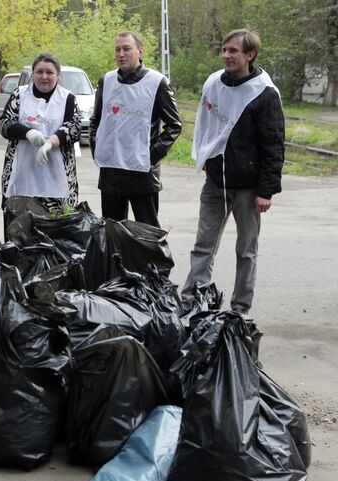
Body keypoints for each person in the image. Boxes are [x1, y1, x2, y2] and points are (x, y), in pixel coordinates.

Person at [181, 29, 284, 315]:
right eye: (224, 50)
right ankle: (193, 299)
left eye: (233, 51)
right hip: (216, 183)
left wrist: (266, 191)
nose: (226, 55)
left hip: (249, 188)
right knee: (204, 244)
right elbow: (205, 125)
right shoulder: (214, 82)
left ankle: (240, 307)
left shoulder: (264, 94)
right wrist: (205, 161)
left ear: (250, 55)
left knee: (246, 250)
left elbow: (273, 145)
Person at [89, 31, 182, 228]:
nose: (121, 54)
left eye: (126, 49)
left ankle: (148, 261)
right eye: (117, 49)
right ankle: (117, 262)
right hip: (111, 173)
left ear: (140, 51)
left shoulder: (157, 83)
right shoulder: (106, 81)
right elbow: (96, 120)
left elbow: (174, 125)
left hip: (142, 174)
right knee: (112, 232)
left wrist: (150, 156)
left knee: (147, 232)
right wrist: (98, 149)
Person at [0, 52, 83, 233]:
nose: (44, 76)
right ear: (32, 74)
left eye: (49, 72)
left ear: (57, 75)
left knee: (56, 234)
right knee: (19, 233)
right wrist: (28, 132)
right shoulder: (19, 95)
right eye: (39, 72)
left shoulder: (67, 99)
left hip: (57, 180)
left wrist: (51, 142)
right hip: (21, 178)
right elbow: (5, 124)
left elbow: (74, 128)